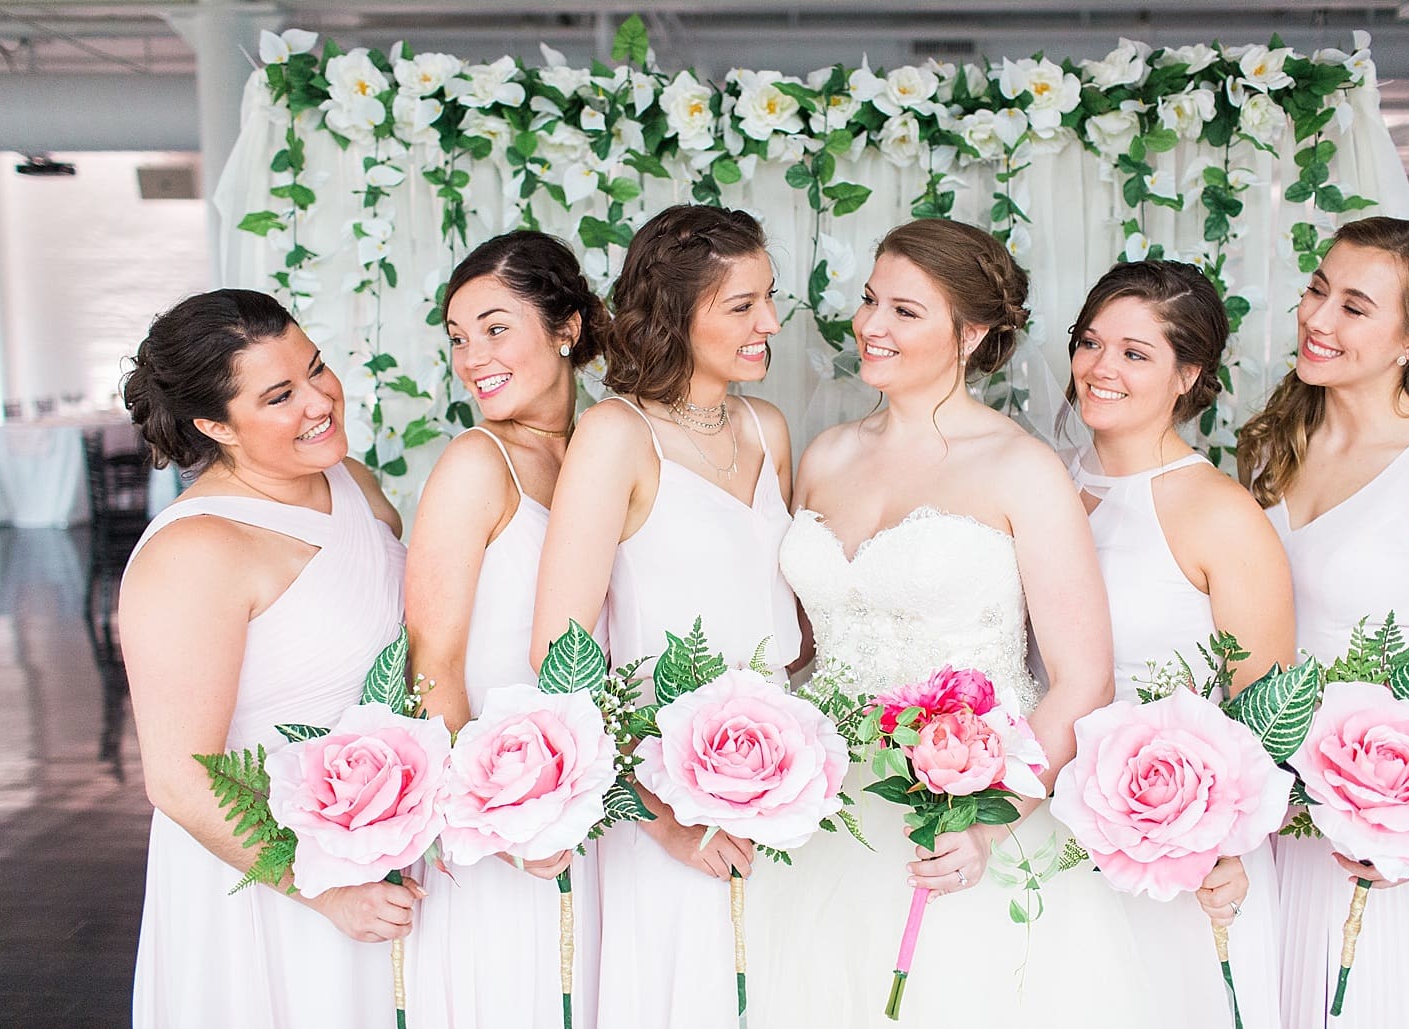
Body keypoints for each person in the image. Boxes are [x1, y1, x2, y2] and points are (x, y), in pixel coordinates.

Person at [758, 219, 1162, 1028]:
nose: (871, 325)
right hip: (823, 813)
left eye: (905, 311)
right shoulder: (826, 452)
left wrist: (985, 821)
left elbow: (1083, 677)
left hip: (962, 823)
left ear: (971, 332)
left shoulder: (1021, 468)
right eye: (871, 300)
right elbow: (804, 645)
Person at [1236, 215, 1409, 1029]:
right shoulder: (1271, 447)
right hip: (1263, 814)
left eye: (1354, 306)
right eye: (1317, 289)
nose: (1316, 319)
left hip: (1377, 833)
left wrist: (1406, 838)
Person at [530, 204, 801, 1029]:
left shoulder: (769, 427)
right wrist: (662, 824)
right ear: (677, 315)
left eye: (768, 297)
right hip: (669, 798)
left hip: (784, 793)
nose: (770, 323)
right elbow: (559, 656)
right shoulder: (616, 435)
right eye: (742, 305)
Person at [119, 288, 414, 1027]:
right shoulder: (195, 550)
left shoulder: (352, 482)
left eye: (317, 369)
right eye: (281, 394)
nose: (320, 401)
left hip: (383, 857)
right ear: (215, 424)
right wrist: (323, 891)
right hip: (273, 884)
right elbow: (181, 780)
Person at [1066, 259, 1294, 1029]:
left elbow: (1266, 704)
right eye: (1090, 342)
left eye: (1135, 354)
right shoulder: (1044, 484)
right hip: (1050, 825)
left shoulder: (1218, 512)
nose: (1100, 369)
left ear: (1187, 374)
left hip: (1177, 846)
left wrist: (1225, 842)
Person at [404, 232, 610, 1029]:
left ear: (566, 327)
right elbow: (433, 668)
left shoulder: (609, 448)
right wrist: (505, 823)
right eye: (457, 338)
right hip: (504, 830)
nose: (470, 357)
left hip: (597, 813)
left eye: (494, 328)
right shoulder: (474, 463)